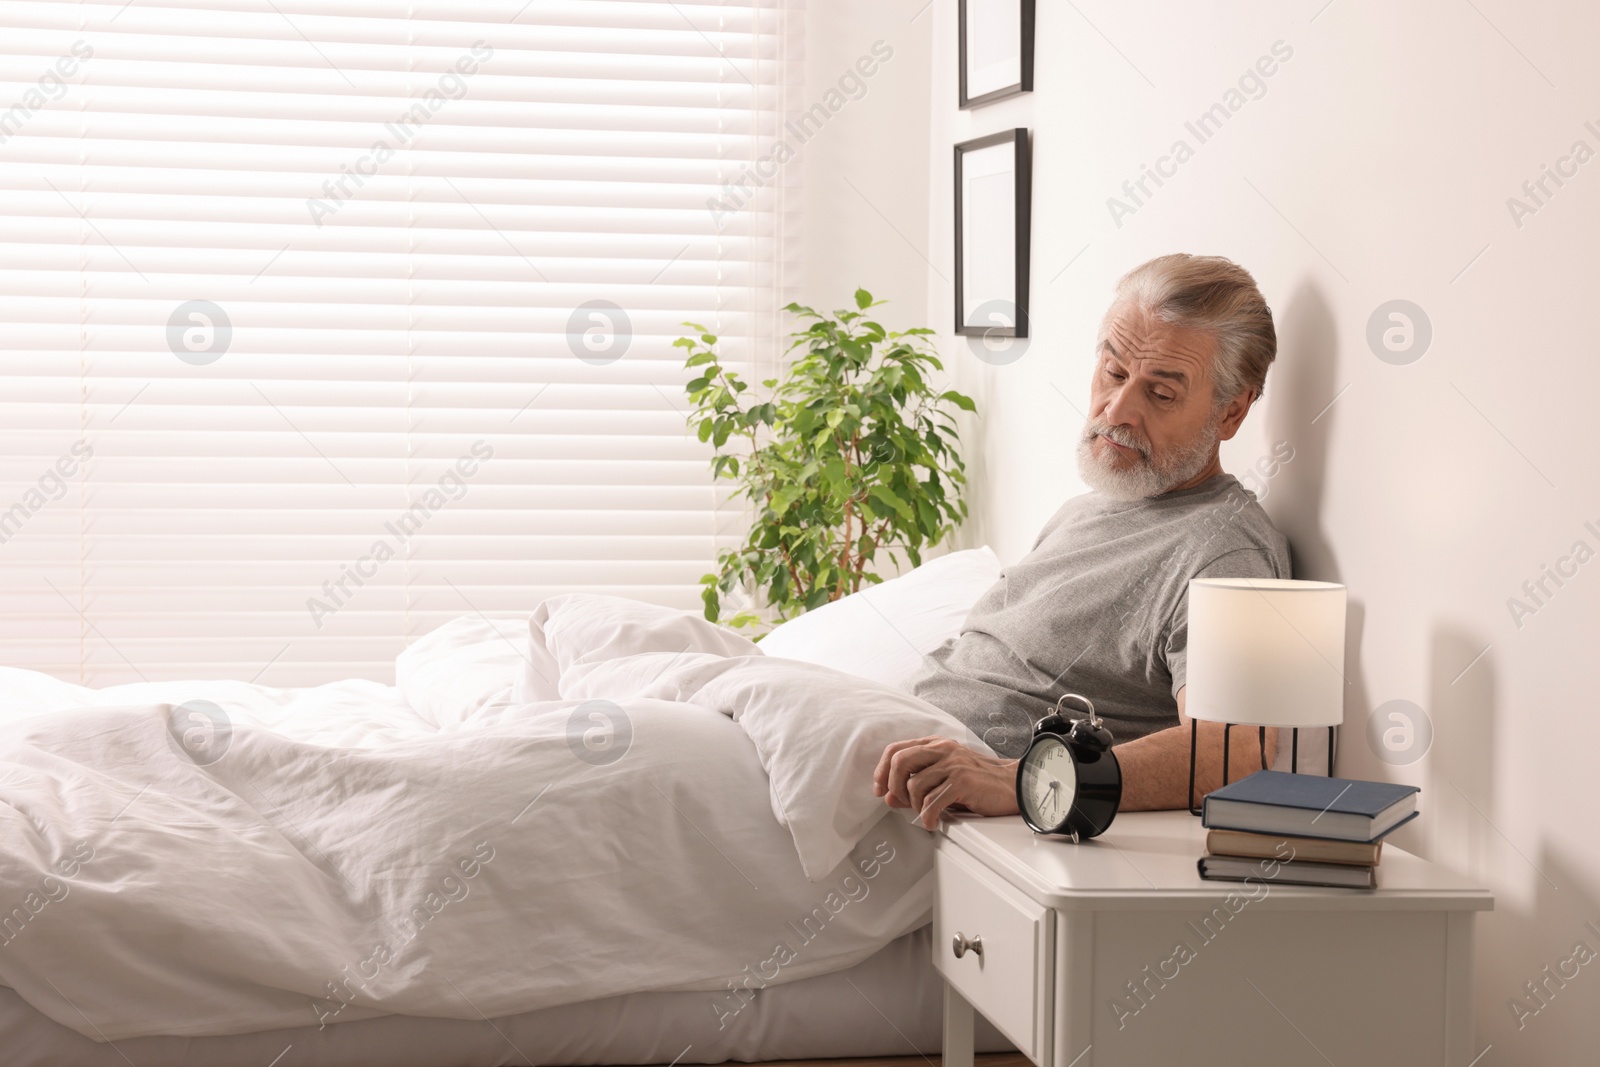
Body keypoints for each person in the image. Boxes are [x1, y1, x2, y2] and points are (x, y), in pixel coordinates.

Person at [874, 253, 1293, 828]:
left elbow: (1235, 751)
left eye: (1161, 394)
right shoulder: (1091, 507)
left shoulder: (1223, 552)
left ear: (1231, 413)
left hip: (929, 799)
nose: (1117, 411)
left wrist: (1024, 778)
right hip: (891, 741)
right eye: (1114, 373)